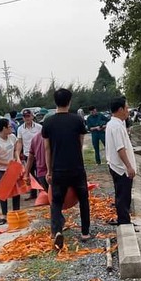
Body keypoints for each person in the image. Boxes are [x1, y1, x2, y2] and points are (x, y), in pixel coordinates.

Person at [42, 88, 91, 250]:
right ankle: (85, 232)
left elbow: (47, 149)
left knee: (56, 201)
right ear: (69, 102)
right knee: (83, 199)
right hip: (76, 167)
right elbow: (80, 142)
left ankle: (57, 231)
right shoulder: (77, 120)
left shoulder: (48, 123)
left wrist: (49, 171)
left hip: (58, 169)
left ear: (55, 102)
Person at [105, 96, 136, 225]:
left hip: (118, 166)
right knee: (123, 196)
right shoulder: (116, 127)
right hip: (121, 168)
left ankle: (124, 219)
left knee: (123, 194)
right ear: (120, 109)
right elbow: (120, 148)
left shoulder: (114, 124)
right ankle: (124, 221)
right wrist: (129, 166)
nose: (128, 111)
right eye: (126, 108)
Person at [0, 118, 22, 225]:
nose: (11, 128)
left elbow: (17, 145)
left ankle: (16, 212)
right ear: (4, 128)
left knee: (15, 190)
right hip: (0, 169)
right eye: (9, 126)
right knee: (3, 192)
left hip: (12, 167)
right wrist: (8, 164)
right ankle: (4, 215)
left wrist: (17, 157)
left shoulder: (12, 137)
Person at [17, 108, 43, 200]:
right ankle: (33, 193)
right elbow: (20, 142)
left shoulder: (39, 127)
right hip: (27, 154)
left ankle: (42, 191)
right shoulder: (20, 129)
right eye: (25, 117)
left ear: (32, 116)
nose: (27, 118)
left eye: (28, 116)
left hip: (38, 154)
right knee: (30, 174)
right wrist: (18, 154)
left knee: (40, 173)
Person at [25, 126, 48, 191]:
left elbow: (30, 158)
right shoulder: (52, 137)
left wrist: (26, 174)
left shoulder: (35, 138)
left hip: (40, 173)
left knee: (46, 194)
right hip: (52, 172)